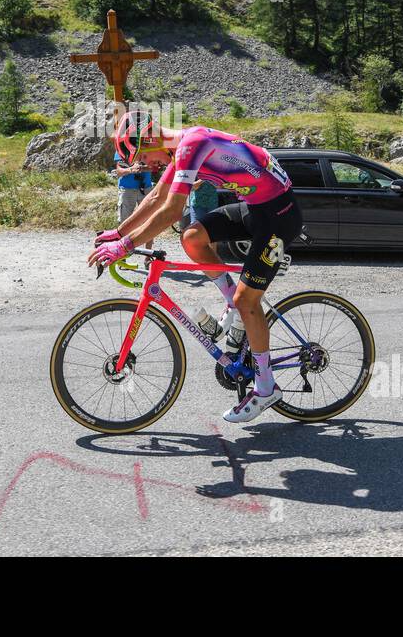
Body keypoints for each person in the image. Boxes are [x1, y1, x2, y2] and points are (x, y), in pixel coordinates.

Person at [88, 111, 302, 423]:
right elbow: (158, 197)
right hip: (257, 208)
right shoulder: (180, 148)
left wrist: (124, 247)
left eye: (143, 155)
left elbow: (172, 210)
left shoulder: (192, 145)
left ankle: (267, 387)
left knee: (248, 301)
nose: (146, 164)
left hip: (280, 215)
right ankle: (232, 302)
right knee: (192, 238)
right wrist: (118, 233)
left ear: (150, 138)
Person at [113, 149, 155, 251]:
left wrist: (141, 168)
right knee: (124, 222)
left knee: (149, 221)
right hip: (127, 190)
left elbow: (154, 167)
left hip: (145, 188)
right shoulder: (122, 148)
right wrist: (131, 169)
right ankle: (121, 254)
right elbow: (118, 171)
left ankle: (148, 256)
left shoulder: (148, 147)